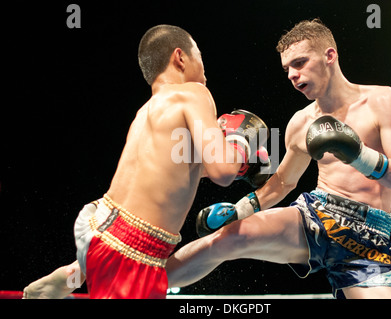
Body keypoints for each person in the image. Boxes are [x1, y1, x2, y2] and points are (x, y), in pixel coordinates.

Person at [165, 19, 391, 299]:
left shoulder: (381, 100)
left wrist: (359, 155)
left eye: (299, 63)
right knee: (228, 239)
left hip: (370, 239)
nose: (291, 75)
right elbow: (284, 182)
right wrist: (241, 211)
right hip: (318, 214)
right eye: (287, 69)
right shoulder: (300, 123)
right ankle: (134, 285)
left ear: (330, 56)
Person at [23, 24, 270, 299]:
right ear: (180, 57)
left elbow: (179, 173)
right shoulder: (194, 92)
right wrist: (242, 141)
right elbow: (221, 172)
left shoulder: (145, 113)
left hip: (99, 221)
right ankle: (75, 273)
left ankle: (71, 275)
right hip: (128, 248)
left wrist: (241, 165)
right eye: (200, 56)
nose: (205, 69)